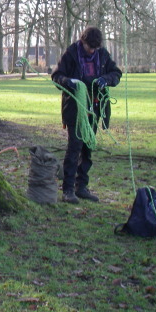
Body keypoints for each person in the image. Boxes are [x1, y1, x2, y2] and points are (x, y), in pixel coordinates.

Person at [51, 27, 122, 204]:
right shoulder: (71, 53)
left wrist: (106, 79)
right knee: (74, 148)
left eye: (94, 48)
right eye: (89, 47)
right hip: (75, 109)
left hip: (95, 108)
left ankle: (81, 187)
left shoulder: (103, 55)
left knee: (87, 148)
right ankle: (68, 190)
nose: (92, 50)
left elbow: (116, 73)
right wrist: (68, 82)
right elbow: (57, 76)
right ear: (82, 41)